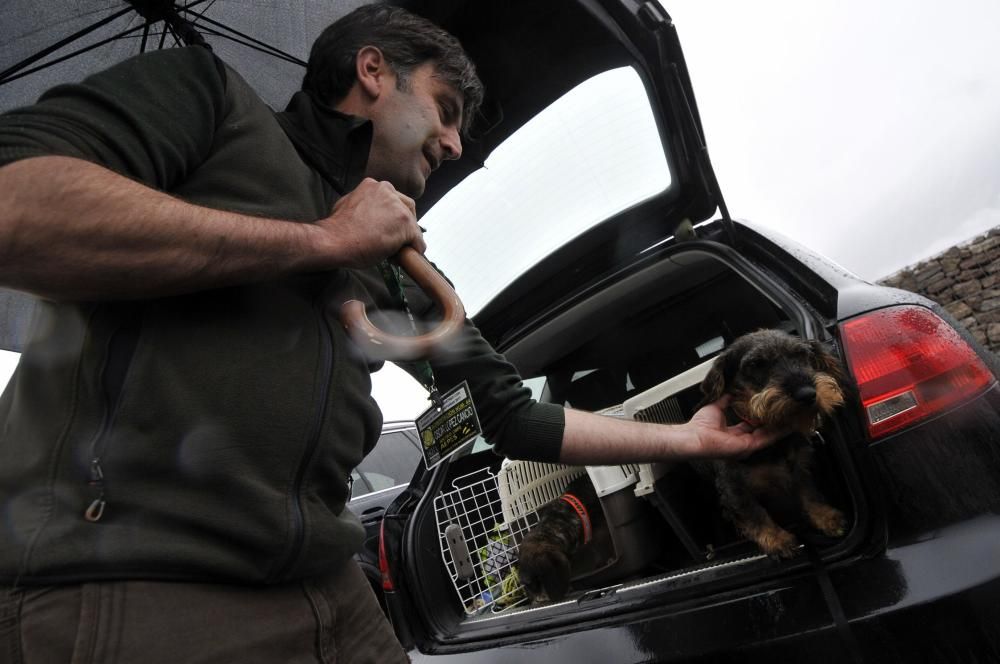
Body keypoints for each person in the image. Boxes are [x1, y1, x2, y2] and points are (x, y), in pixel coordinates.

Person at [0, 5, 782, 663]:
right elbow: (15, 208)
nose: (454, 145)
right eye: (445, 110)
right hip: (136, 590)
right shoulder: (208, 98)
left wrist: (697, 442)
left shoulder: (395, 260)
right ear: (373, 71)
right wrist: (318, 244)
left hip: (332, 593)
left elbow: (509, 415)